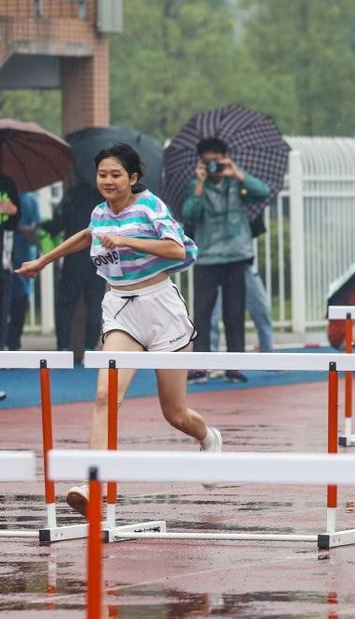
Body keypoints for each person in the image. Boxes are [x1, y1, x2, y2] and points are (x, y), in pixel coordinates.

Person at [17, 143, 222, 518]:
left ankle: (208, 437)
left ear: (133, 178)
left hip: (161, 309)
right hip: (120, 311)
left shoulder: (150, 207)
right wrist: (43, 261)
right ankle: (93, 483)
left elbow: (177, 251)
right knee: (103, 396)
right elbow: (86, 235)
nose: (108, 181)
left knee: (174, 413)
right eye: (102, 174)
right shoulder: (99, 213)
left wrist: (127, 239)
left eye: (115, 175)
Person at [181, 137, 269, 383]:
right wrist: (199, 186)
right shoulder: (194, 184)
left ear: (225, 158)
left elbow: (262, 192)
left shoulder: (236, 181)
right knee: (202, 313)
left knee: (234, 313)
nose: (212, 167)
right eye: (207, 162)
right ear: (200, 162)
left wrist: (238, 174)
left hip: (236, 255)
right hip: (207, 256)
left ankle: (234, 365)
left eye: (216, 161)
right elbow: (188, 214)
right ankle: (200, 366)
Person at [41, 176, 107, 356]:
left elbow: (56, 225)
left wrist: (41, 225)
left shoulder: (71, 197)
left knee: (65, 305)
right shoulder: (102, 201)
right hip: (97, 262)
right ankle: (89, 348)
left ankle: (62, 347)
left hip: (73, 262)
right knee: (94, 305)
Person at [209, 259, 274, 360]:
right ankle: (210, 361)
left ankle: (269, 355)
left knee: (262, 311)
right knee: (211, 317)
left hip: (244, 264)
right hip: (214, 264)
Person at [2, 190, 40, 350]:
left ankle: (13, 341)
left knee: (20, 298)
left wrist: (23, 229)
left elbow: (35, 231)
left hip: (21, 257)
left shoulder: (29, 200)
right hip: (6, 258)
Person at [0, 174, 21, 401]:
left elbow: (16, 221)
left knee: (1, 320)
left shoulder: (7, 183)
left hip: (3, 265)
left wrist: (12, 211)